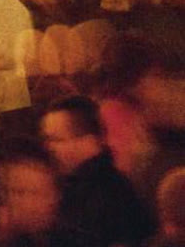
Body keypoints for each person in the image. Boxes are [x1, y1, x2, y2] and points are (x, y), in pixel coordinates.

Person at [39, 95, 153, 247]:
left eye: (56, 139)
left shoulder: (108, 197)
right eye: (46, 140)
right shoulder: (72, 187)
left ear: (88, 141)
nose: (48, 147)